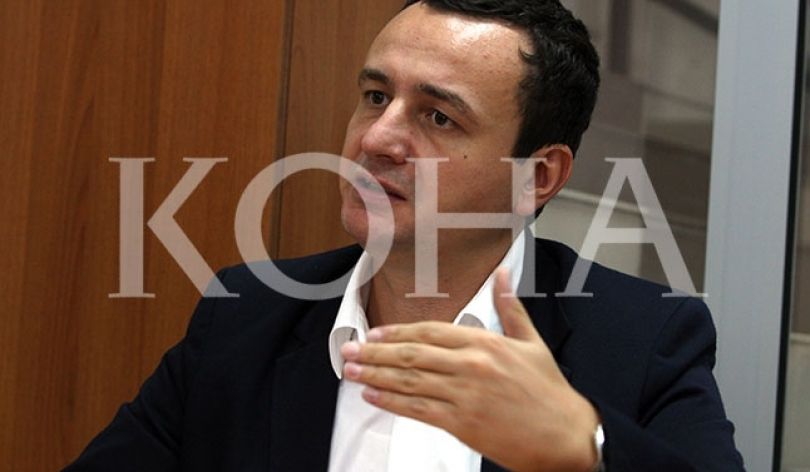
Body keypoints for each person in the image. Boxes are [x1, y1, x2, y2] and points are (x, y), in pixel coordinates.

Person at [65, 1, 744, 471]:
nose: (378, 139)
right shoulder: (247, 315)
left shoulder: (642, 340)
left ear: (537, 176)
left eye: (438, 117)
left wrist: (584, 449)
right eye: (375, 97)